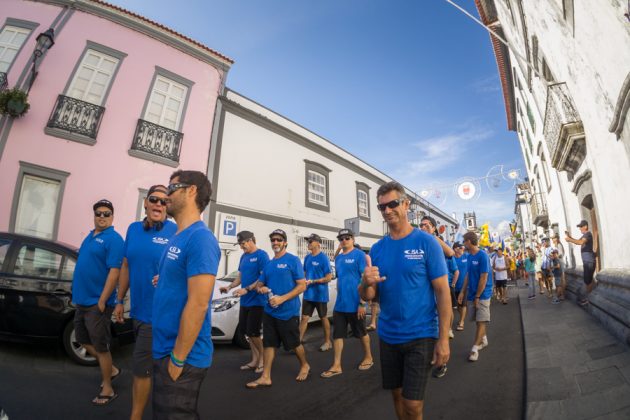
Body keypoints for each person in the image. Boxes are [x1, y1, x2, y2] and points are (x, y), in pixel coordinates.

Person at [360, 181, 451, 420]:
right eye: (382, 207)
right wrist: (365, 283)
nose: (387, 210)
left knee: (413, 404)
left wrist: (443, 339)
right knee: (397, 396)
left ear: (406, 204)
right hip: (388, 336)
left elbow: (442, 292)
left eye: (392, 204)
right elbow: (370, 296)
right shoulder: (378, 249)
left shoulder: (427, 243)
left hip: (420, 335)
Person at [151, 170, 220, 419]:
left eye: (172, 188)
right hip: (164, 347)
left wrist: (178, 359)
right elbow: (183, 280)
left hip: (182, 356)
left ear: (191, 191)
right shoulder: (178, 236)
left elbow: (199, 304)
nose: (166, 195)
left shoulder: (201, 239)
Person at [113, 185, 177, 419]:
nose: (159, 204)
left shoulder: (175, 231)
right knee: (153, 368)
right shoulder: (133, 229)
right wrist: (119, 299)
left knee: (141, 369)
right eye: (154, 199)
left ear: (168, 207)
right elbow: (126, 265)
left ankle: (136, 416)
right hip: (138, 312)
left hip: (159, 314)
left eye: (164, 201)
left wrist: (169, 276)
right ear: (146, 203)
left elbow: (184, 269)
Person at [72, 199, 124, 406]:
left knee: (101, 347)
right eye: (98, 213)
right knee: (83, 341)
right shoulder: (90, 236)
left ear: (112, 217)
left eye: (106, 214)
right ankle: (111, 369)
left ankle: (108, 388)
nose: (102, 217)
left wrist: (103, 300)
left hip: (97, 303)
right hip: (82, 301)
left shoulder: (114, 239)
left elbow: (115, 271)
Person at [246, 229, 310, 389]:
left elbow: (302, 286)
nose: (275, 242)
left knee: (294, 344)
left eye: (279, 240)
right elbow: (260, 283)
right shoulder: (269, 264)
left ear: (285, 242)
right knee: (269, 344)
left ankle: (304, 365)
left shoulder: (292, 260)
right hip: (270, 311)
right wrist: (261, 288)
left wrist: (282, 298)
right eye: (273, 240)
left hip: (288, 311)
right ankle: (265, 376)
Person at [321, 229, 373, 378]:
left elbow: (365, 279)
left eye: (347, 238)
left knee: (361, 332)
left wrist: (362, 303)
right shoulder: (338, 259)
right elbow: (340, 278)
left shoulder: (359, 255)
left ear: (353, 239)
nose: (344, 240)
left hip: (356, 303)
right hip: (341, 304)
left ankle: (368, 357)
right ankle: (337, 365)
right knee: (337, 335)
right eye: (341, 238)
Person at [219, 231, 270, 373]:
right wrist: (229, 287)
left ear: (251, 240)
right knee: (247, 333)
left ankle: (263, 360)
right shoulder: (244, 256)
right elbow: (240, 277)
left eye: (243, 244)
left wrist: (247, 290)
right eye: (240, 244)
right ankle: (254, 360)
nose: (241, 247)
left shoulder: (262, 255)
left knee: (254, 333)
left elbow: (263, 278)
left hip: (258, 301)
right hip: (245, 301)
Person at [419, 216, 455, 378]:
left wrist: (433, 237)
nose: (423, 227)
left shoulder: (435, 240)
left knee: (439, 321)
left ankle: (443, 362)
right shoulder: (419, 241)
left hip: (441, 288)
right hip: (426, 289)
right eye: (421, 225)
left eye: (426, 225)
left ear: (433, 228)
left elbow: (450, 252)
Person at [458, 231, 493, 362]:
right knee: (477, 321)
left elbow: (484, 278)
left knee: (481, 321)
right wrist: (462, 291)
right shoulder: (469, 256)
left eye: (464, 241)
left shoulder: (482, 256)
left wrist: (478, 296)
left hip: (483, 294)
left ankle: (474, 349)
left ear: (469, 241)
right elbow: (467, 275)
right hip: (472, 294)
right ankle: (483, 340)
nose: (463, 244)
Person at [299, 233, 333, 352]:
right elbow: (303, 274)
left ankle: (328, 342)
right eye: (307, 241)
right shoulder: (307, 258)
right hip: (308, 294)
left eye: (310, 241)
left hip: (320, 294)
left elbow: (329, 277)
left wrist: (314, 281)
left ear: (318, 243)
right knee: (304, 318)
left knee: (323, 317)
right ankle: (298, 342)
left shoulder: (323, 258)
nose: (308, 243)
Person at [565, 220, 597, 305]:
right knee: (589, 279)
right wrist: (570, 237)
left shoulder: (588, 235)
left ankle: (589, 299)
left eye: (581, 227)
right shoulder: (584, 235)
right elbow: (577, 240)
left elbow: (580, 242)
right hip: (588, 262)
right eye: (579, 227)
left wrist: (569, 240)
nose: (580, 229)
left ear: (586, 226)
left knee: (587, 281)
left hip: (589, 262)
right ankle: (593, 296)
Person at [453, 242, 468, 331]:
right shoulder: (452, 258)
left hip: (464, 285)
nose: (462, 249)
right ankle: (462, 316)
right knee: (458, 305)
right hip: (454, 285)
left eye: (463, 247)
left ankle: (462, 321)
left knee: (463, 304)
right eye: (460, 247)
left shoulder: (466, 256)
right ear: (455, 249)